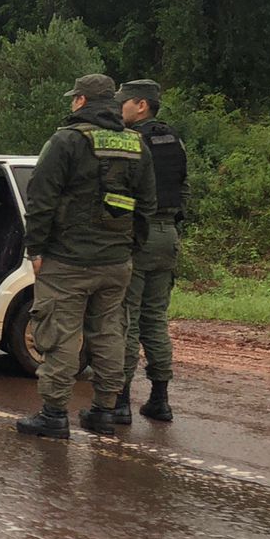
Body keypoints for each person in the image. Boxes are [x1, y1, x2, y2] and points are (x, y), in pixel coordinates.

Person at [16, 73, 156, 440]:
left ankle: (54, 414)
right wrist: (131, 248)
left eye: (74, 97)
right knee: (109, 334)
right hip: (116, 262)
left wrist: (35, 248)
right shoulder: (137, 145)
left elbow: (41, 199)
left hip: (67, 261)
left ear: (81, 101)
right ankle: (104, 411)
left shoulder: (66, 141)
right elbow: (147, 206)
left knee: (60, 335)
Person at [112, 79, 189, 425]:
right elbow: (184, 191)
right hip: (167, 234)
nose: (119, 109)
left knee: (126, 319)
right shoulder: (175, 141)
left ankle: (120, 401)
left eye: (124, 103)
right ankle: (160, 399)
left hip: (137, 236)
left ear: (141, 105)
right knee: (155, 320)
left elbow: (120, 194)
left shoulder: (131, 142)